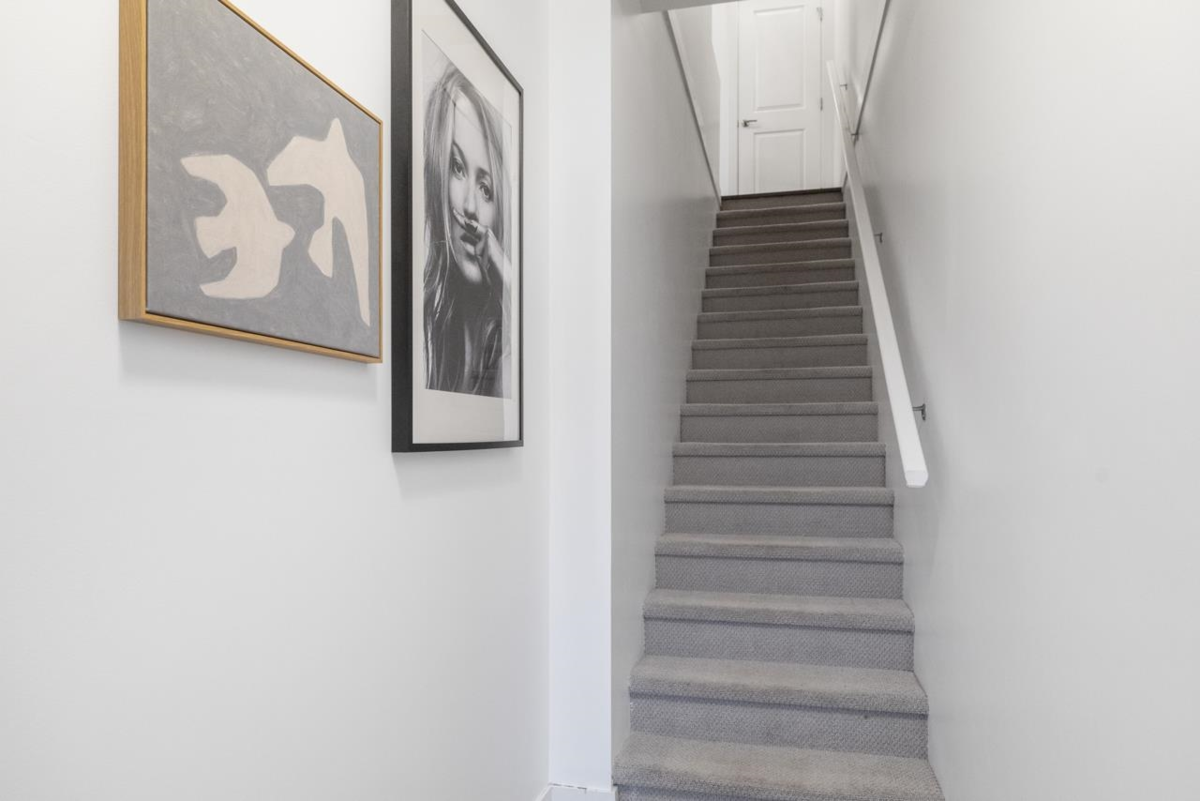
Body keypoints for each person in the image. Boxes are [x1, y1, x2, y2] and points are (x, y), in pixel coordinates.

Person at [422, 62, 512, 399]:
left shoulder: (505, 350)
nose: (471, 206)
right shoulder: (428, 335)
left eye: (486, 189)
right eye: (457, 168)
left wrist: (509, 280)